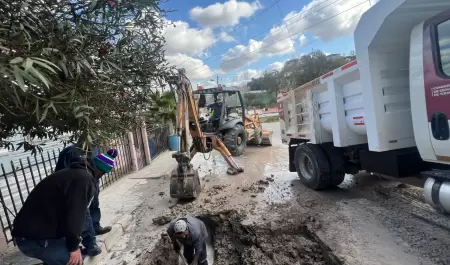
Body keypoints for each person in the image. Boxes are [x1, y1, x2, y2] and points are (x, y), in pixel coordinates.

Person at [12, 158, 97, 265]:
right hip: (32, 240)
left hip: (38, 234)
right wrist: (74, 247)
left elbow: (82, 215)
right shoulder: (84, 179)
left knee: (80, 255)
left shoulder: (73, 175)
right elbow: (75, 216)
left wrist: (86, 243)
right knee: (75, 262)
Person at [54, 146, 117, 256]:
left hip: (90, 178)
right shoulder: (71, 152)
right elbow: (63, 171)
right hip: (76, 183)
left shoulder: (93, 148)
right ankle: (90, 243)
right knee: (83, 211)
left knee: (94, 204)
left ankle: (95, 227)